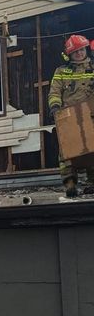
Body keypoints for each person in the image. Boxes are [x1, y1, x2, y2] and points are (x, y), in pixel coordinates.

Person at [48, 34, 94, 197]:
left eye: (81, 50)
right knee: (66, 154)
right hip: (67, 117)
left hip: (91, 116)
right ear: (69, 54)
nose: (80, 53)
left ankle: (92, 183)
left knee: (92, 151)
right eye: (76, 52)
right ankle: (70, 185)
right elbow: (54, 91)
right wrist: (55, 106)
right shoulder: (61, 71)